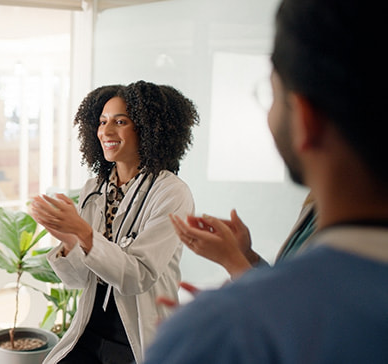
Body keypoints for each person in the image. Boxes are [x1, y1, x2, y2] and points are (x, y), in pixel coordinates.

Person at [144, 0, 388, 362]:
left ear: (306, 119)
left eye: (272, 94)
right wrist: (249, 264)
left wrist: (227, 321)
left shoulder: (223, 334)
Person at [30, 81, 199, 364]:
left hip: (137, 336)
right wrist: (69, 239)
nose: (106, 131)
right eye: (102, 121)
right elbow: (78, 280)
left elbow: (137, 276)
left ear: (147, 128)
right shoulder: (95, 188)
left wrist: (83, 232)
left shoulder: (171, 192)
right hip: (91, 331)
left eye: (120, 121)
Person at [168, 193, 315, 280]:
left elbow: (288, 305)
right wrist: (246, 255)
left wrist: (231, 259)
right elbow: (284, 284)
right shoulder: (314, 206)